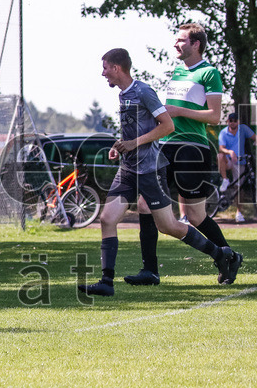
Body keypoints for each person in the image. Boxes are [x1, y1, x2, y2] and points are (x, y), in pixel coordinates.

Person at [79, 49, 241, 296]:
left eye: (105, 68)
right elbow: (133, 130)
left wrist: (134, 144)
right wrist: (120, 145)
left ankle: (221, 254)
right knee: (107, 218)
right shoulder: (123, 95)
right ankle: (106, 282)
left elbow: (168, 125)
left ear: (117, 68)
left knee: (169, 225)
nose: (103, 73)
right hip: (128, 168)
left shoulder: (144, 92)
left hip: (150, 169)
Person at [131, 23, 242, 286]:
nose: (175, 45)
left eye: (181, 40)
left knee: (195, 216)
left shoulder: (209, 73)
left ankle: (227, 256)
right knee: (145, 204)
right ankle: (150, 271)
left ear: (196, 44)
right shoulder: (178, 72)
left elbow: (214, 116)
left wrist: (180, 111)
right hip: (166, 147)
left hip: (193, 149)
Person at [218, 112, 256, 222]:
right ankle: (225, 179)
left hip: (240, 162)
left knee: (239, 188)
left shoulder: (243, 129)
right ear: (228, 121)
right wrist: (230, 152)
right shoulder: (223, 132)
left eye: (235, 120)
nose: (233, 122)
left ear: (238, 122)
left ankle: (239, 213)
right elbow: (221, 148)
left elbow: (254, 137)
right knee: (220, 156)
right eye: (231, 120)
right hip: (228, 161)